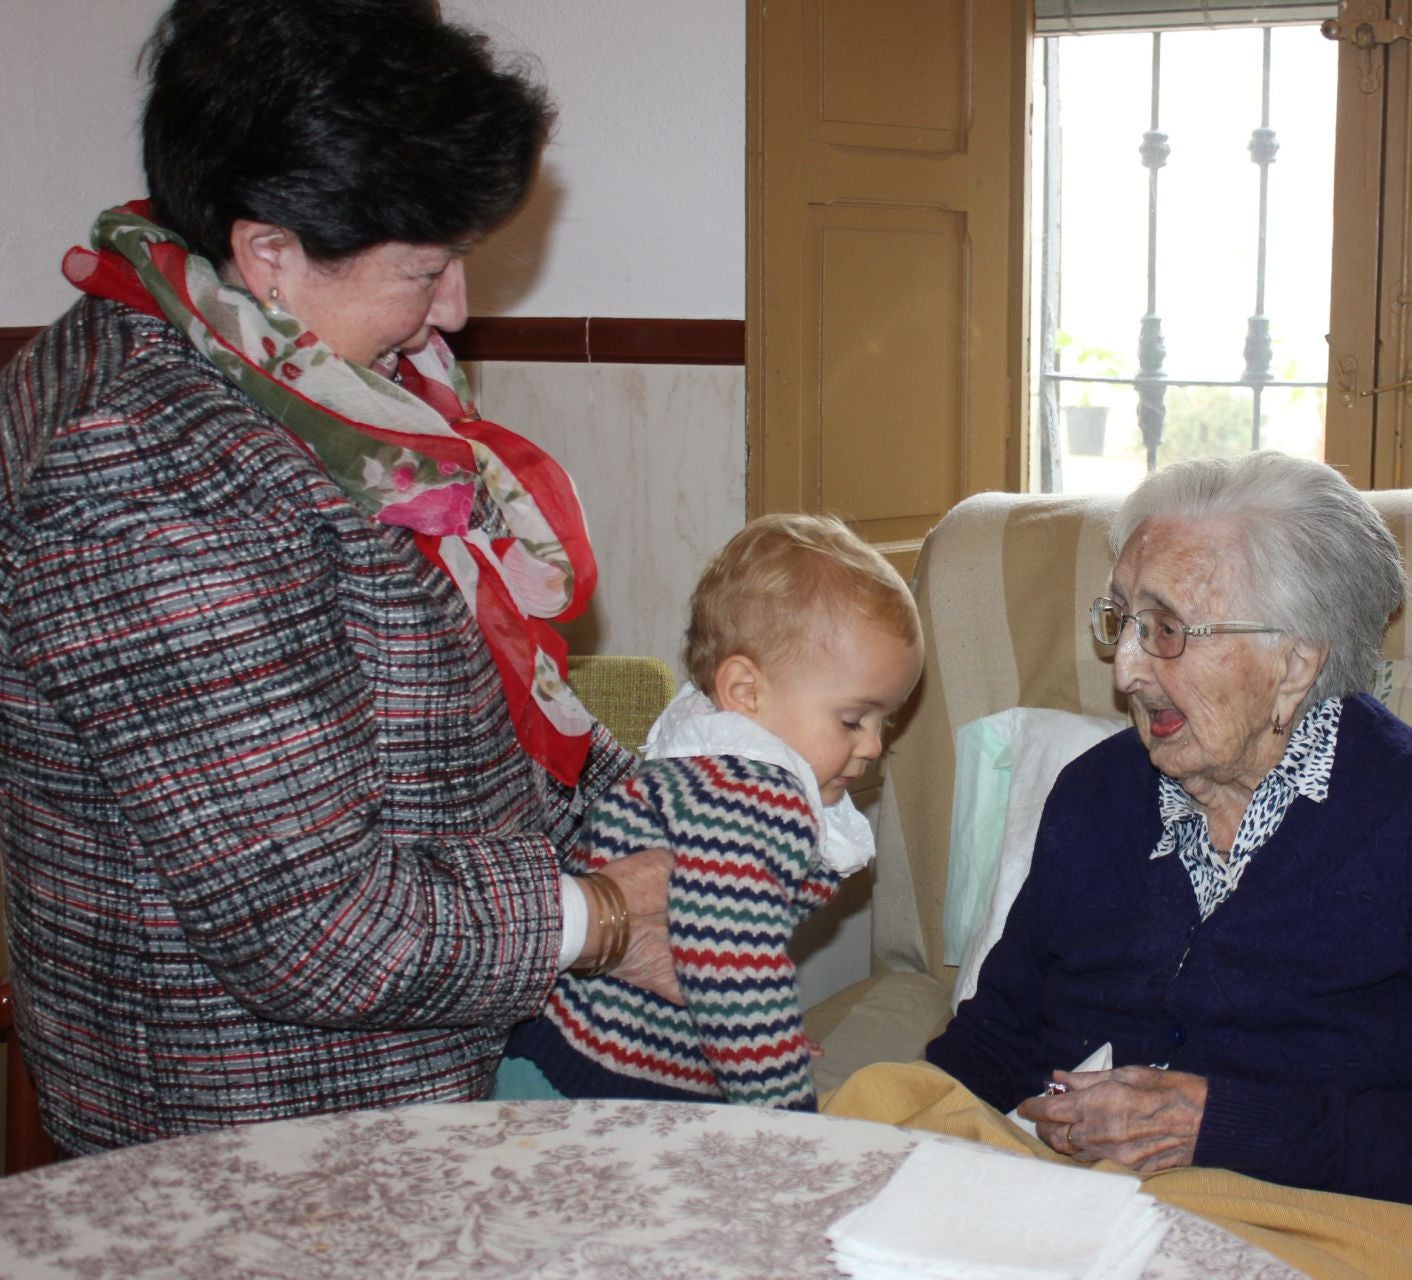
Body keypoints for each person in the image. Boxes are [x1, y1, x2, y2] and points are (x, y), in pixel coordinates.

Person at [0, 0, 677, 1156]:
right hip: (256, 1135)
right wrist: (609, 916)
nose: (455, 308)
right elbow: (316, 927)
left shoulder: (299, 372)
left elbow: (454, 698)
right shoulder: (142, 472)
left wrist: (680, 802)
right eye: (425, 269)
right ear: (269, 249)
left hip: (401, 1080)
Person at [923, 451, 1412, 1221]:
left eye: (1166, 629)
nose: (1125, 669)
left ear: (1295, 662)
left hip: (1285, 1218)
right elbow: (992, 1044)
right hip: (1058, 1202)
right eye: (1122, 620)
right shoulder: (1097, 794)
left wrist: (1219, 1128)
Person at [498, 514, 924, 1110]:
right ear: (747, 692)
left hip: (566, 1057)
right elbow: (731, 968)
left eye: (886, 722)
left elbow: (708, 950)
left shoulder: (706, 765)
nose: (874, 745)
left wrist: (766, 1036)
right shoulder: (756, 793)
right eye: (853, 720)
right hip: (600, 1086)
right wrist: (783, 1106)